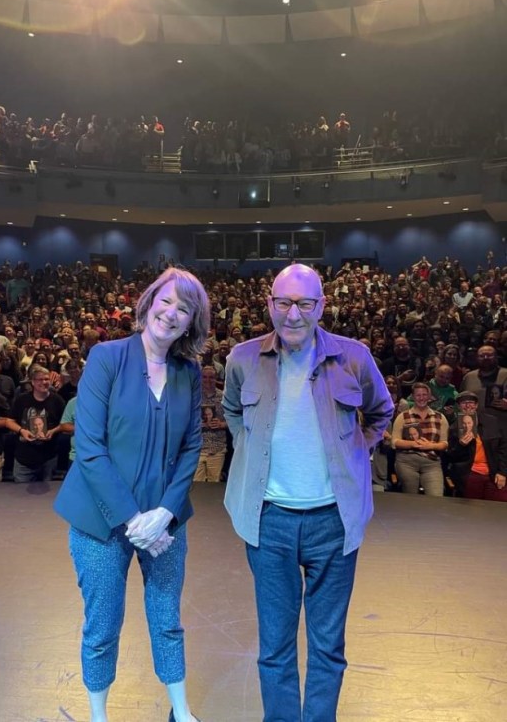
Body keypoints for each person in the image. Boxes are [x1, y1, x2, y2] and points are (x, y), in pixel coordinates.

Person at [222, 263, 393, 722]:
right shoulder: (241, 358)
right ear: (269, 304)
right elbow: (232, 411)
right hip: (269, 521)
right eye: (283, 302)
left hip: (333, 524)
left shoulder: (354, 357)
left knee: (327, 647)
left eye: (304, 303)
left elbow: (381, 412)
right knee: (274, 647)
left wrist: (356, 452)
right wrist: (252, 449)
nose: (292, 314)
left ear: (321, 306)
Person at [53, 267, 210, 722]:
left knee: (167, 618)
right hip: (100, 523)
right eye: (166, 301)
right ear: (147, 304)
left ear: (191, 322)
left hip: (164, 523)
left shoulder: (188, 372)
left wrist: (164, 513)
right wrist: (133, 520)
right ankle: (99, 716)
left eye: (184, 308)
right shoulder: (107, 357)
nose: (172, 313)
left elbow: (191, 446)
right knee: (102, 626)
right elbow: (90, 448)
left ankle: (180, 710)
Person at [391, 382, 449, 496]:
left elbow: (445, 443)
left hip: (431, 463)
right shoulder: (403, 416)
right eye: (418, 395)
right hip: (407, 461)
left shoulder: (440, 417)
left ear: (429, 396)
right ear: (413, 396)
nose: (421, 398)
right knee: (411, 497)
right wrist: (413, 444)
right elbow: (394, 442)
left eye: (424, 394)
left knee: (436, 496)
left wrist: (430, 446)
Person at [447, 391, 507, 500]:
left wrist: (502, 472)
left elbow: (503, 448)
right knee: (473, 505)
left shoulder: (491, 421)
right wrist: (461, 445)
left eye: (471, 402)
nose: (468, 406)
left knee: (501, 502)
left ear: (477, 405)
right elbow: (451, 456)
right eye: (464, 403)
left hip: (493, 472)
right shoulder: (454, 428)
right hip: (470, 473)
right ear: (459, 406)